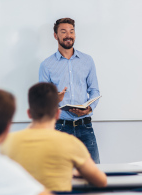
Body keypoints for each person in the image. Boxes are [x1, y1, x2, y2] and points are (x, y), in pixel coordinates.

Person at [1, 83, 107, 192]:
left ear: (29, 113)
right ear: (58, 113)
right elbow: (101, 181)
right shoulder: (71, 143)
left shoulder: (8, 142)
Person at [39, 17, 101, 163]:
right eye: (63, 32)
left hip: (85, 126)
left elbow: (95, 91)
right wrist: (55, 100)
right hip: (60, 127)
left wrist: (89, 108)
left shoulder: (87, 61)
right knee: (60, 172)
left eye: (71, 31)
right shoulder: (46, 65)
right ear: (56, 36)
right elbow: (42, 99)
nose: (68, 35)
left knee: (95, 171)